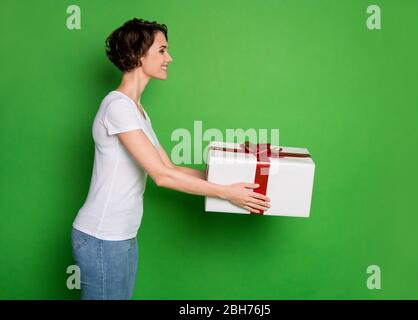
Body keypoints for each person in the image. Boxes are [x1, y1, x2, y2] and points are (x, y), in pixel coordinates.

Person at [71, 18, 271, 300]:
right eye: (162, 50)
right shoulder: (117, 107)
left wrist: (233, 180)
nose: (170, 58)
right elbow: (161, 177)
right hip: (102, 237)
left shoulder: (135, 109)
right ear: (138, 55)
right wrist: (226, 193)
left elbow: (170, 167)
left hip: (121, 236)